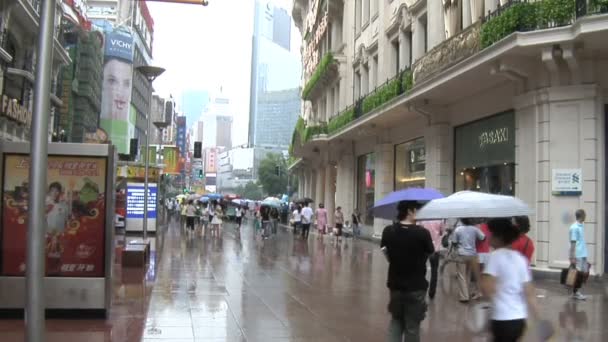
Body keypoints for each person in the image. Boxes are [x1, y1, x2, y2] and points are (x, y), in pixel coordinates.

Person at [381, 201, 434, 342]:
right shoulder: (423, 233)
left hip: (395, 285)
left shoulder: (388, 231)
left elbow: (386, 254)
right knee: (412, 326)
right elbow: (429, 253)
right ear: (410, 211)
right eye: (418, 209)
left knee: (396, 321)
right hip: (416, 286)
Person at [481, 218, 540, 342]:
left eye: (490, 234)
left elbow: (487, 289)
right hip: (519, 319)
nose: (488, 237)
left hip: (501, 319)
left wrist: (477, 273)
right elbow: (530, 294)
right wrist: (538, 319)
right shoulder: (520, 259)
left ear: (499, 237)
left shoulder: (494, 257)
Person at [452, 218, 485, 303]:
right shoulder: (475, 229)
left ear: (462, 221)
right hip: (472, 255)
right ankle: (467, 293)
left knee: (461, 275)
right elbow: (483, 238)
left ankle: (464, 296)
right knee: (468, 274)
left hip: (461, 254)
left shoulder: (458, 229)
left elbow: (454, 242)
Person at [419, 220, 445, 299]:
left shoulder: (422, 220)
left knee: (421, 269)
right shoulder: (440, 220)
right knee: (434, 271)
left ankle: (421, 289)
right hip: (435, 249)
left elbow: (419, 231)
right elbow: (442, 233)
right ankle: (432, 292)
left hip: (423, 248)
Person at [569, 209, 589, 300]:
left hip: (583, 253)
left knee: (585, 272)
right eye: (585, 215)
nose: (586, 216)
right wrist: (572, 256)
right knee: (578, 274)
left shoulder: (581, 226)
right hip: (578, 254)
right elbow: (573, 243)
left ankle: (574, 290)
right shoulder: (574, 227)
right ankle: (575, 292)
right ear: (581, 216)